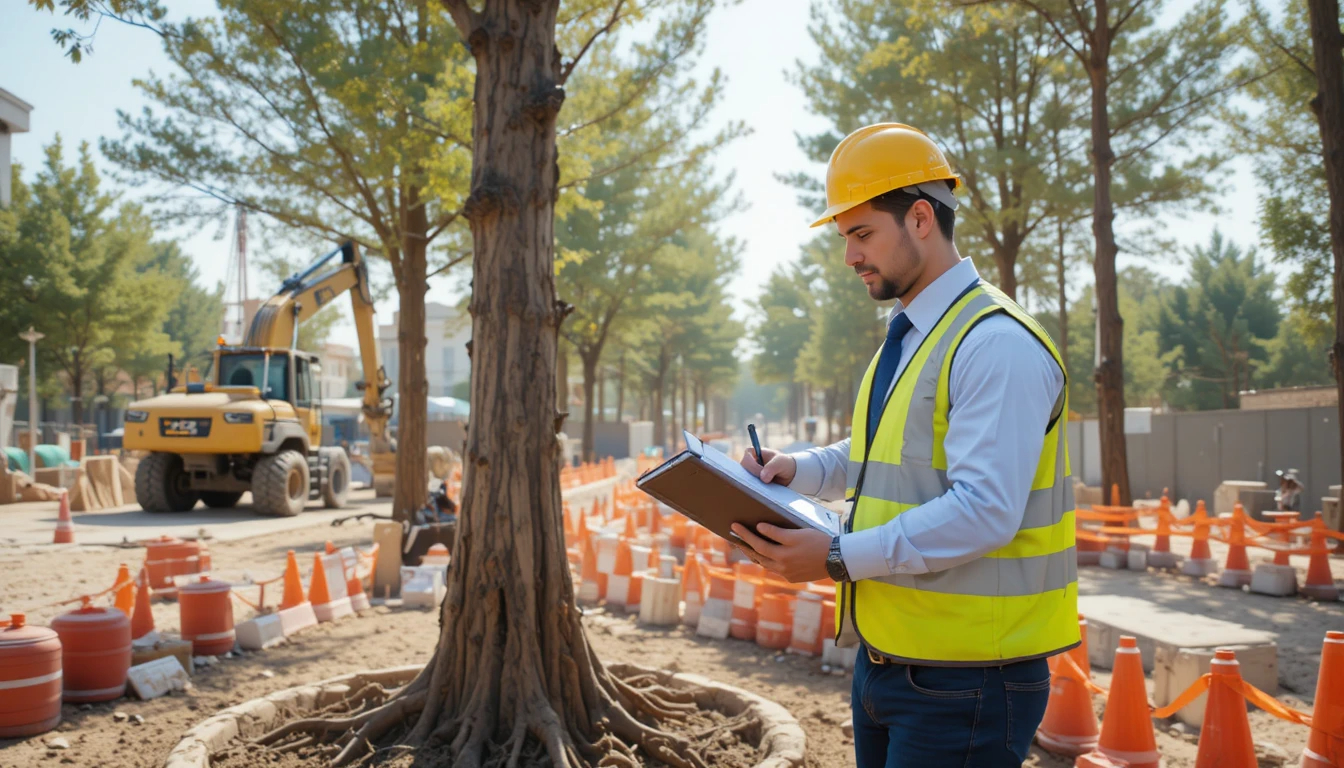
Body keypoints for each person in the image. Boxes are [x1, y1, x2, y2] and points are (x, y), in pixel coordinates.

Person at [731, 123, 1078, 767]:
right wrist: (794, 469)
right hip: (891, 662)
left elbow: (984, 510)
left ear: (921, 218)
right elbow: (874, 455)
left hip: (969, 680)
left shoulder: (994, 343)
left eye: (862, 235)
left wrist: (836, 556)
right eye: (845, 239)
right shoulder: (915, 334)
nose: (849, 257)